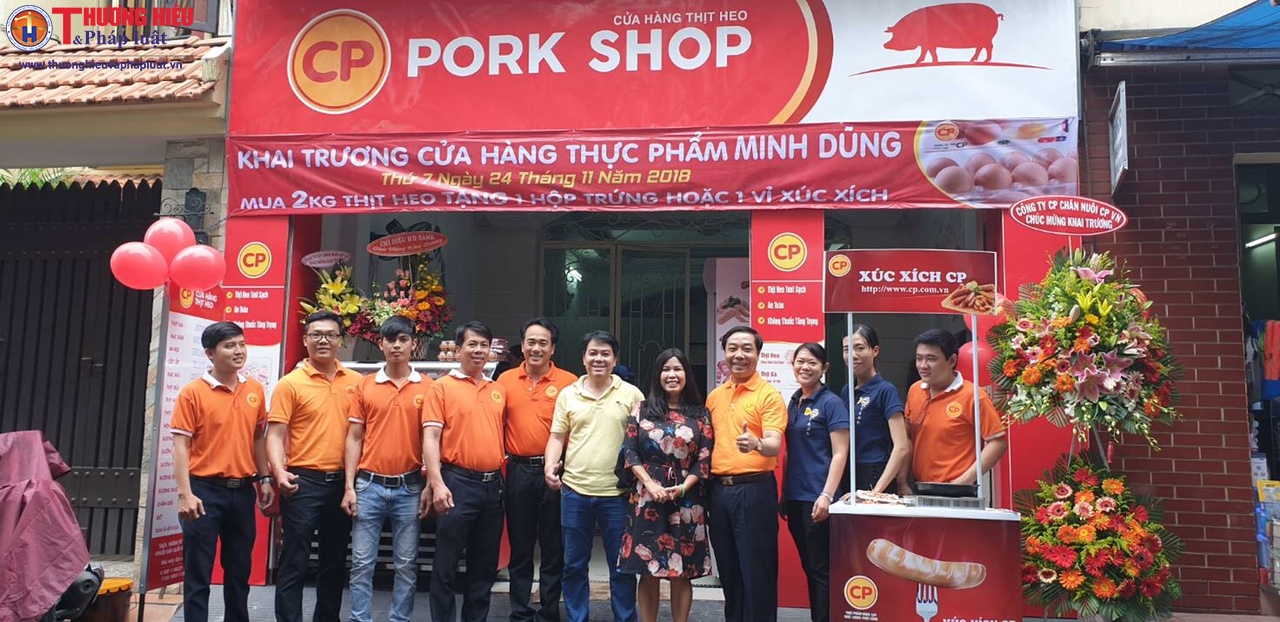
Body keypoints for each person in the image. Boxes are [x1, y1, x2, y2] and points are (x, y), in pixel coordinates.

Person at [170, 322, 272, 622]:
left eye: (241, 344)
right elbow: (179, 447)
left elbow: (257, 437)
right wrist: (185, 494)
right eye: (229, 346)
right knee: (198, 573)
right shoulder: (192, 393)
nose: (238, 351)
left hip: (242, 492)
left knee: (239, 571)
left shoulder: (254, 389)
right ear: (210, 354)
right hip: (203, 492)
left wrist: (265, 479)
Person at [266, 310, 363, 622]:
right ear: (305, 339)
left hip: (343, 484)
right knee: (294, 560)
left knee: (334, 561)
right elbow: (274, 434)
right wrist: (278, 472)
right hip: (303, 483)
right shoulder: (290, 384)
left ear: (340, 340)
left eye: (331, 335)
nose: (324, 340)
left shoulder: (357, 382)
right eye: (317, 335)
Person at [544, 330, 644, 622]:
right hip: (574, 492)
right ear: (583, 358)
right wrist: (550, 465)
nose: (599, 358)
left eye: (605, 354)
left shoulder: (631, 394)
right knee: (574, 564)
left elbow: (642, 440)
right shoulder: (568, 394)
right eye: (593, 353)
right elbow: (557, 436)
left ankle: (625, 617)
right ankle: (577, 617)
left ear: (615, 359)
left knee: (621, 565)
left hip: (618, 494)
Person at [341, 316, 433, 622]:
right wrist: (349, 486)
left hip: (410, 487)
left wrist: (431, 484)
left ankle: (399, 619)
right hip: (368, 486)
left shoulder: (428, 387)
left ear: (413, 344)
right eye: (390, 340)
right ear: (381, 344)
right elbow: (354, 437)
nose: (396, 346)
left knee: (406, 564)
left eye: (403, 339)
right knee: (361, 563)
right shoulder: (366, 385)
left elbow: (433, 439)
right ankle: (359, 619)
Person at [618, 348, 714, 622]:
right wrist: (650, 485)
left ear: (686, 374)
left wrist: (682, 488)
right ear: (658, 375)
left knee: (682, 571)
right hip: (647, 497)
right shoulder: (642, 409)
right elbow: (630, 452)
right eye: (666, 369)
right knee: (648, 569)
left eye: (677, 369)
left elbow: (704, 459)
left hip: (686, 498)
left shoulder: (700, 413)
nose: (672, 375)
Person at [423, 321, 507, 622]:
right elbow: (431, 437)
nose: (478, 350)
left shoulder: (498, 390)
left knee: (484, 567)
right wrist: (437, 483)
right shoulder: (441, 387)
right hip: (457, 483)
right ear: (458, 350)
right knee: (446, 564)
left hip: (493, 487)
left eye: (484, 345)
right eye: (472, 344)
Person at [498, 318, 578, 622]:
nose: (536, 348)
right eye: (531, 342)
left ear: (552, 348)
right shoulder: (505, 380)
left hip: (557, 472)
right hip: (518, 471)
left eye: (543, 343)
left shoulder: (569, 381)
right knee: (521, 546)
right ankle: (519, 610)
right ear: (522, 346)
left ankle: (549, 610)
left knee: (553, 546)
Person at [705, 326, 786, 622]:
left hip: (754, 491)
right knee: (729, 571)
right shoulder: (715, 397)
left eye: (747, 349)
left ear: (758, 354)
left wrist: (757, 443)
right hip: (719, 492)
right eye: (733, 348)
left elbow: (774, 443)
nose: (739, 355)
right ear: (725, 353)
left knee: (757, 572)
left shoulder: (769, 396)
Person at [782, 342, 848, 622]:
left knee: (821, 569)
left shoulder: (831, 403)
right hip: (795, 497)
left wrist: (827, 495)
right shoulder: (794, 401)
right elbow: (790, 452)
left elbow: (840, 453)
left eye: (812, 363)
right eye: (800, 362)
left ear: (824, 368)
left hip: (818, 497)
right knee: (810, 568)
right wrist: (784, 494)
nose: (805, 367)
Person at [904, 329, 1008, 490]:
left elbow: (997, 442)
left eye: (931, 359)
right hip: (920, 487)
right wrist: (903, 481)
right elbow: (907, 437)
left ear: (952, 360)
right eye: (919, 358)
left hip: (958, 492)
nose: (923, 366)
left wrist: (964, 480)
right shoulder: (915, 390)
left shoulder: (973, 395)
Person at [838, 327, 911, 495]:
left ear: (875, 351)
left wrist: (876, 491)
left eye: (860, 348)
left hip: (875, 473)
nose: (853, 355)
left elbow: (901, 446)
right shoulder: (846, 390)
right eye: (847, 349)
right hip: (849, 471)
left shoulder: (886, 390)